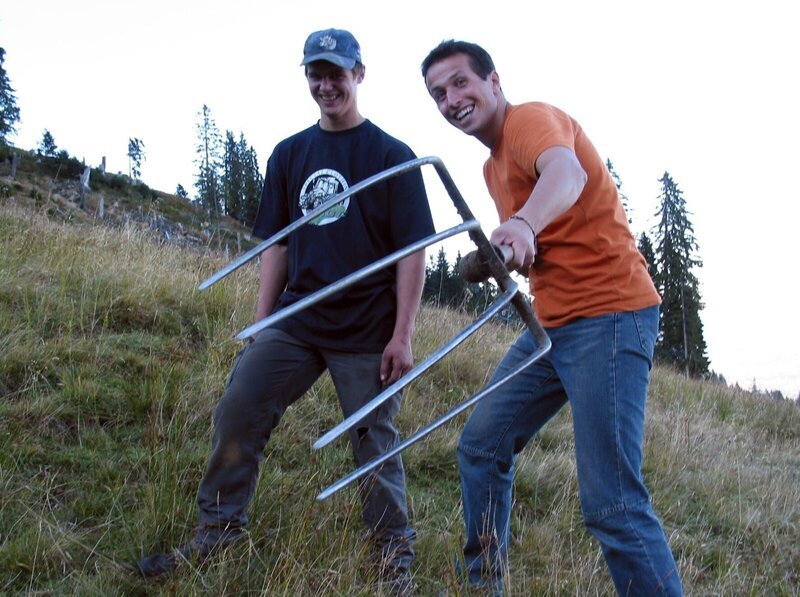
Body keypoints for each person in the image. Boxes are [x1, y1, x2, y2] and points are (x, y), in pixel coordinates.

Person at [138, 29, 434, 594]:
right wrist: (263, 320)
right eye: (315, 74)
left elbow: (412, 252)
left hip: (368, 330)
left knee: (374, 439)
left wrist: (402, 335)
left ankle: (393, 559)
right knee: (240, 408)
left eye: (337, 74)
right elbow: (276, 245)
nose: (326, 85)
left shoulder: (391, 157)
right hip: (298, 319)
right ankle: (219, 529)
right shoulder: (290, 153)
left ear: (359, 75)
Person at [421, 40, 682, 596]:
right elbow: (536, 242)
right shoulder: (493, 167)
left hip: (610, 315)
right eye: (438, 94)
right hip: (554, 325)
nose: (451, 100)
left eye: (460, 83)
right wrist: (499, 256)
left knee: (612, 503)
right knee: (481, 448)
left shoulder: (530, 122)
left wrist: (522, 224)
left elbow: (566, 175)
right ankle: (484, 586)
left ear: (493, 80)